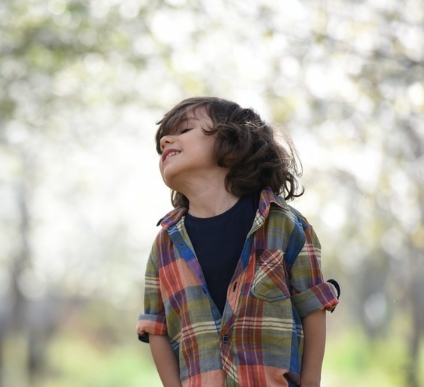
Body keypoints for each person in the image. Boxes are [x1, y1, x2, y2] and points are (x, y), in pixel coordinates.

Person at [136, 97, 340, 387]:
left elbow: (313, 306)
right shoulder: (164, 245)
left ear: (232, 144)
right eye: (162, 144)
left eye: (184, 130)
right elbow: (156, 328)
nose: (166, 141)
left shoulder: (284, 225)